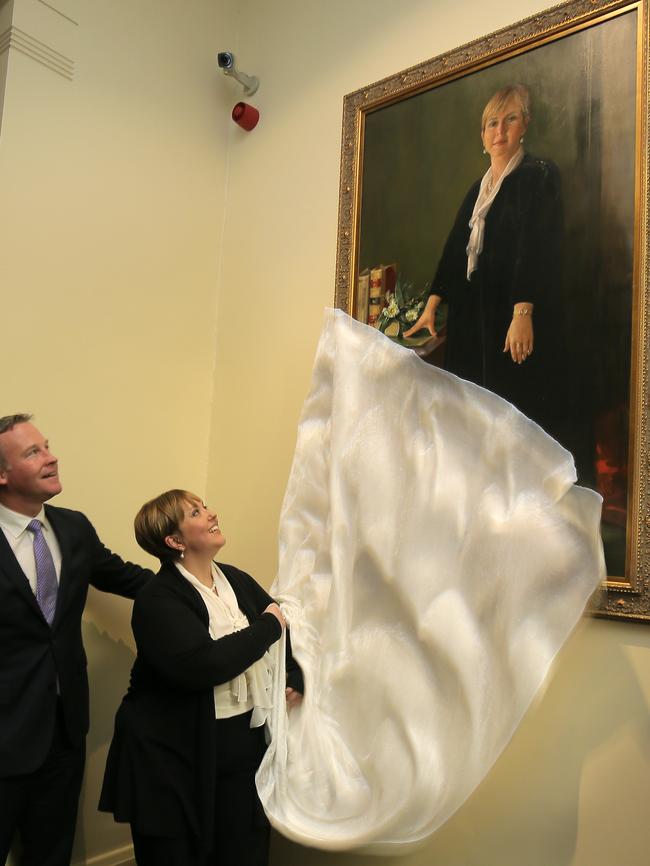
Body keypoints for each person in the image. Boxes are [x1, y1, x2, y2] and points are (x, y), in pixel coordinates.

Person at [99, 489, 304, 866]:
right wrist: (268, 626)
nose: (212, 515)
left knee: (244, 851)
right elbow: (204, 665)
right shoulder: (157, 598)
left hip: (239, 746)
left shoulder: (237, 581)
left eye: (205, 506)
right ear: (175, 541)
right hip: (167, 756)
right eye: (196, 512)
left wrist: (293, 678)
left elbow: (286, 635)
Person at [0, 413, 152, 866]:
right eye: (34, 452)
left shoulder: (73, 528)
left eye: (47, 446)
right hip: (4, 734)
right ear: (3, 474)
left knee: (51, 853)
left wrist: (201, 588)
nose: (52, 457)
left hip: (64, 732)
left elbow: (126, 578)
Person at [405, 84, 564, 433]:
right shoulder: (477, 190)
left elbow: (535, 248)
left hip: (508, 319)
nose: (500, 131)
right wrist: (432, 304)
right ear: (483, 133)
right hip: (471, 320)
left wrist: (523, 312)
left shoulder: (537, 176)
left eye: (510, 120)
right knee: (471, 422)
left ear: (525, 125)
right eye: (492, 123)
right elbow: (454, 249)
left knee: (508, 418)